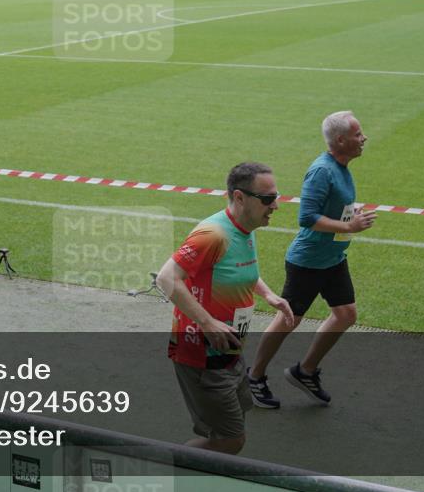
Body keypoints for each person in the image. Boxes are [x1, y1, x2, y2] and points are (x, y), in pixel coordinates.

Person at [156, 162, 294, 455]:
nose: (276, 206)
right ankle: (163, 467)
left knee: (234, 424)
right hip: (201, 354)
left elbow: (240, 270)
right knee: (231, 440)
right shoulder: (213, 235)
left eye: (276, 197)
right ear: (240, 197)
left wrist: (269, 294)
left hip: (229, 349)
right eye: (267, 199)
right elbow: (167, 278)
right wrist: (207, 323)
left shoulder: (246, 227)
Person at [248, 110, 375, 409]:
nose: (364, 138)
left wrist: (350, 213)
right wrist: (348, 226)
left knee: (346, 315)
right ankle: (254, 377)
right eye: (358, 134)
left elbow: (330, 207)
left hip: (332, 258)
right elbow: (306, 218)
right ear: (341, 140)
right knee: (289, 318)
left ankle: (304, 371)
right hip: (308, 261)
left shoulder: (342, 166)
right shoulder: (322, 170)